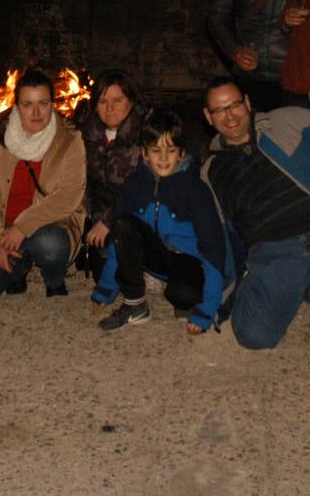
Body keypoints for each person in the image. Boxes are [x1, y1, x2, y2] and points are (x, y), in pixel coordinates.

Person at [201, 78, 310, 349]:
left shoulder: (288, 120)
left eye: (235, 105)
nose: (230, 116)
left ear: (247, 103)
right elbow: (217, 236)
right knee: (253, 336)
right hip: (274, 248)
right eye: (219, 110)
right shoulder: (210, 171)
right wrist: (223, 294)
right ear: (208, 117)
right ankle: (302, 285)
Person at [90, 109, 232, 335]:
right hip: (155, 254)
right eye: (156, 151)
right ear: (144, 153)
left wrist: (207, 308)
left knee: (182, 296)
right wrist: (105, 289)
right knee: (124, 224)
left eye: (171, 151)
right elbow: (121, 238)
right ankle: (136, 305)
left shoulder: (195, 191)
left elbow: (213, 249)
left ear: (181, 153)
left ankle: (168, 286)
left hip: (187, 260)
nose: (164, 158)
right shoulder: (135, 184)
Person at [0, 68, 87, 300]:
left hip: (49, 225)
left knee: (50, 244)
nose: (37, 112)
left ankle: (54, 279)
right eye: (28, 105)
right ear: (17, 107)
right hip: (3, 228)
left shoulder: (69, 140)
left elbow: (69, 194)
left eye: (43, 103)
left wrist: (22, 227)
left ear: (53, 104)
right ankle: (18, 267)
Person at [76, 70, 150, 271]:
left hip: (137, 215)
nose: (109, 108)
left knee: (117, 259)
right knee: (102, 266)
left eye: (117, 100)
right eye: (102, 101)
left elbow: (144, 190)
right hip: (99, 216)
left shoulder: (146, 137)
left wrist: (108, 222)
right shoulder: (88, 137)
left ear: (131, 101)